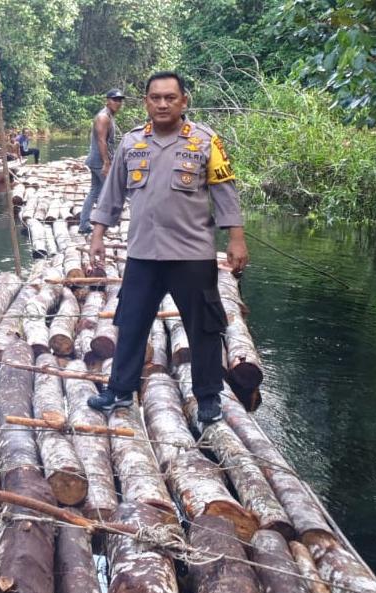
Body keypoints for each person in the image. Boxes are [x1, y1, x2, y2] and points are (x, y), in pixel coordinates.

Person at [86, 71, 249, 424]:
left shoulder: (206, 142)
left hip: (192, 255)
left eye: (170, 98)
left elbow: (225, 193)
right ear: (146, 102)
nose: (162, 104)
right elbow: (111, 193)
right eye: (155, 97)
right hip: (143, 254)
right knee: (130, 322)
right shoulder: (132, 143)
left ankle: (208, 397)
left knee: (204, 327)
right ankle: (119, 390)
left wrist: (236, 239)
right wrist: (97, 235)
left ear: (183, 101)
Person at [78, 88, 126, 235]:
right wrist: (106, 163)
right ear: (107, 100)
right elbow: (101, 141)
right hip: (99, 161)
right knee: (110, 192)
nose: (117, 103)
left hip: (98, 160)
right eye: (114, 100)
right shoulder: (103, 117)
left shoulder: (109, 116)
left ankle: (84, 224)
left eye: (119, 100)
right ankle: (103, 224)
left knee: (95, 191)